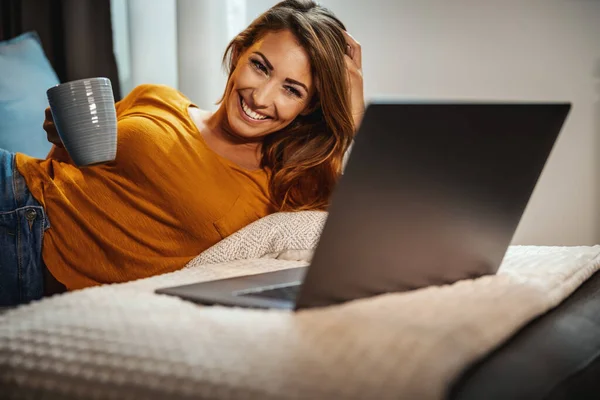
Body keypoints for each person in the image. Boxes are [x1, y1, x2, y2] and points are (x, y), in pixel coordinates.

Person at [0, 0, 364, 306]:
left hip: (24, 248)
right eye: (260, 66)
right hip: (14, 183)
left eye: (292, 90)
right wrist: (61, 137)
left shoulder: (289, 183)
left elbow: (366, 226)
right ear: (238, 54)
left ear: (309, 106)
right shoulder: (156, 97)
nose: (261, 97)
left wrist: (354, 112)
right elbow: (65, 169)